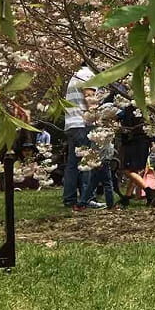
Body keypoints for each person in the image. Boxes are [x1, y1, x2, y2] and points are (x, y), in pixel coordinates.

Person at [62, 63, 96, 209]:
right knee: (87, 162)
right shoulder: (88, 75)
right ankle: (86, 198)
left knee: (72, 165)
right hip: (82, 123)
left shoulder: (75, 76)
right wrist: (96, 117)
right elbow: (89, 97)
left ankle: (69, 199)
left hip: (71, 124)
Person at [116, 102, 155, 206]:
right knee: (134, 170)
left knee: (127, 170)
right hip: (145, 139)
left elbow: (120, 117)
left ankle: (149, 191)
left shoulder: (130, 108)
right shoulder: (148, 107)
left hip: (134, 140)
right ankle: (127, 197)